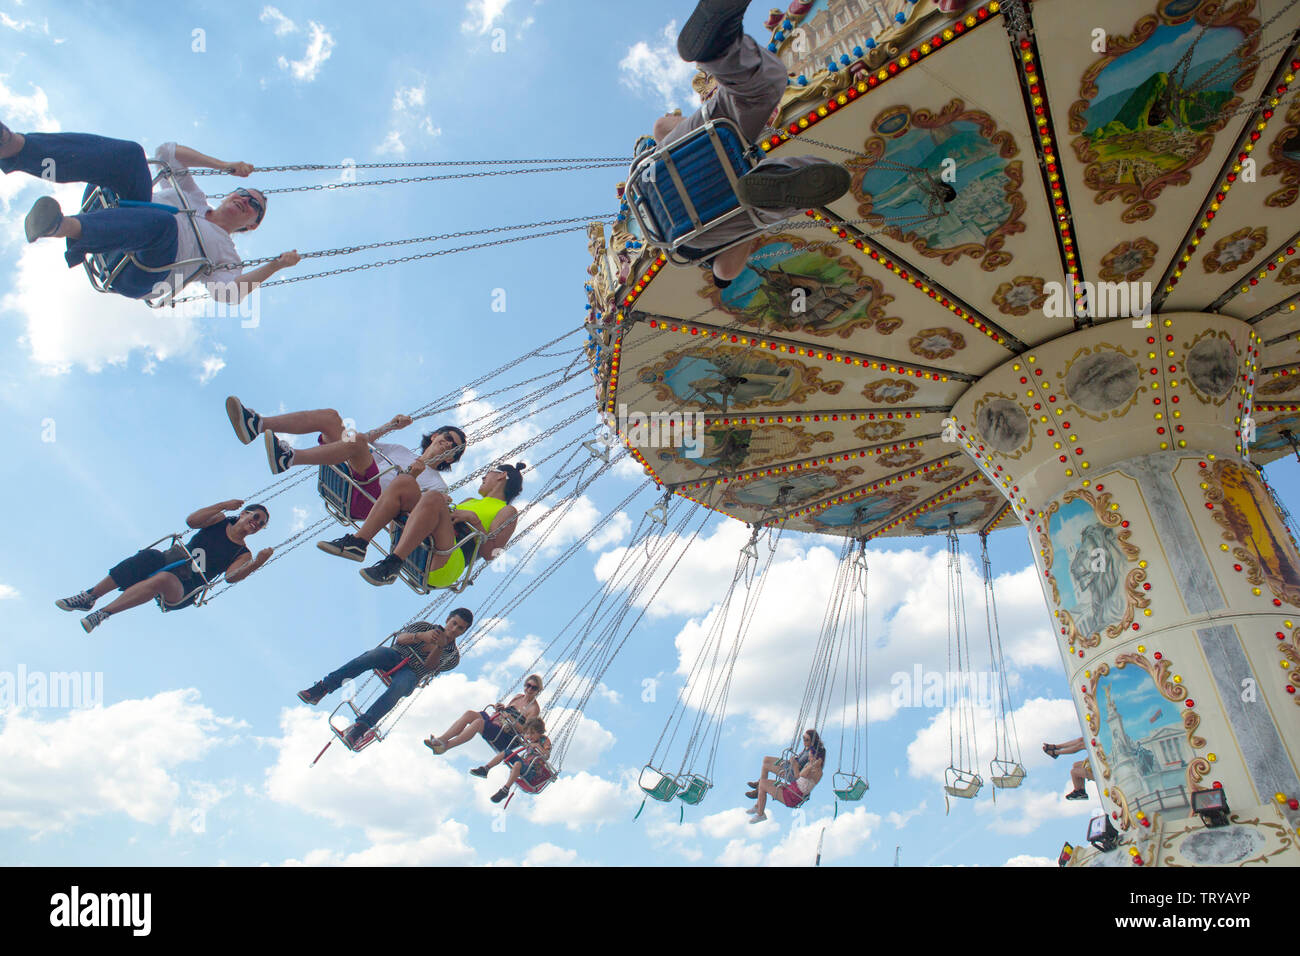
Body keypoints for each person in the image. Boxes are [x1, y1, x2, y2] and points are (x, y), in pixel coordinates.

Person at [646, 0, 851, 288]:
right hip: (675, 163)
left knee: (760, 207)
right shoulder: (656, 159)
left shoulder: (701, 254)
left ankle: (769, 191)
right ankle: (720, 51)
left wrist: (752, 230)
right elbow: (660, 127)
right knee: (756, 92)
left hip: (696, 225)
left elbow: (725, 273)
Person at [0, 122, 298, 300]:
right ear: (233, 192)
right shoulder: (194, 196)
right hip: (122, 219)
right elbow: (166, 153)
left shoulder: (227, 255)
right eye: (245, 194)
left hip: (139, 270)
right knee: (130, 155)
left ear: (251, 226)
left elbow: (229, 293)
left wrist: (276, 265)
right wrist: (224, 165)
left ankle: (62, 227)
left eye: (254, 206)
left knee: (164, 223)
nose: (246, 200)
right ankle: (15, 148)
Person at [224, 397, 467, 550]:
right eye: (447, 438)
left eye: (453, 448)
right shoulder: (400, 450)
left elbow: (413, 512)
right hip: (353, 474)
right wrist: (391, 426)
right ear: (435, 436)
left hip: (371, 501)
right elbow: (364, 442)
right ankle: (256, 424)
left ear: (450, 459)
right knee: (331, 417)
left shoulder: (438, 485)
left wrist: (411, 477)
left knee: (357, 441)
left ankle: (290, 458)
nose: (447, 444)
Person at [55, 500, 272, 633]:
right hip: (172, 560)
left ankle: (103, 613)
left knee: (163, 580)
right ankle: (90, 597)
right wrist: (224, 505)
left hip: (186, 586)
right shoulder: (220, 520)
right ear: (244, 513)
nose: (257, 522)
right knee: (148, 557)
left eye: (261, 524)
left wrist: (257, 563)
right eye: (256, 516)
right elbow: (192, 521)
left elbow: (231, 577)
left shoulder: (243, 553)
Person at [297, 611, 471, 750]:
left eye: (460, 628)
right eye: (454, 623)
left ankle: (361, 728)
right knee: (374, 655)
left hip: (411, 673)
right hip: (394, 656)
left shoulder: (452, 656)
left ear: (464, 632)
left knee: (400, 687)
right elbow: (400, 639)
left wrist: (439, 646)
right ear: (448, 619)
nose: (454, 629)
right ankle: (322, 688)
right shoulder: (424, 626)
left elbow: (430, 667)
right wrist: (422, 636)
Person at [343, 462, 525, 588]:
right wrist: (440, 505)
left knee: (434, 496)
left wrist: (474, 520)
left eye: (489, 472)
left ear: (502, 475)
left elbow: (491, 555)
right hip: (425, 543)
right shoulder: (470, 500)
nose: (483, 477)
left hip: (447, 560)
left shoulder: (507, 511)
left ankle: (392, 564)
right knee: (404, 482)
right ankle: (358, 543)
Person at [424, 674, 544, 756]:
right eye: (528, 685)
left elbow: (526, 731)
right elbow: (506, 711)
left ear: (538, 690)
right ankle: (442, 740)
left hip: (505, 735)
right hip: (497, 722)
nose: (529, 689)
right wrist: (501, 709)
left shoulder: (534, 709)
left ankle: (445, 747)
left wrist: (511, 718)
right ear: (524, 686)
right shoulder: (518, 697)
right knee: (470, 714)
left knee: (478, 723)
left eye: (534, 688)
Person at [747, 728, 825, 822]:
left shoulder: (812, 769)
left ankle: (760, 811)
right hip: (793, 787)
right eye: (803, 738)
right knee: (766, 762)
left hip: (793, 792)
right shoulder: (811, 766)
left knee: (763, 782)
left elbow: (798, 776)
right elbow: (802, 774)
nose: (804, 741)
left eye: (806, 739)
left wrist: (797, 765)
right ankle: (758, 805)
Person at [488, 717, 552, 804]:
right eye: (528, 734)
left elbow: (546, 755)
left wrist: (537, 746)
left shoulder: (544, 741)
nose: (530, 736)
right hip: (525, 765)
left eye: (533, 733)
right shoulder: (528, 738)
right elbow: (520, 732)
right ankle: (486, 769)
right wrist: (506, 717)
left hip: (533, 772)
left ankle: (505, 790)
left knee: (517, 764)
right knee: (506, 752)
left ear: (540, 732)